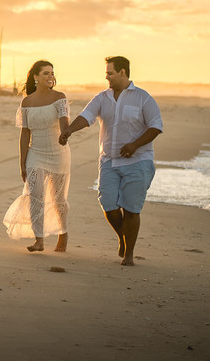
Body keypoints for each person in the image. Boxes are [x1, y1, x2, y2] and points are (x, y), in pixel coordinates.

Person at [59, 56, 163, 266]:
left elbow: (155, 126)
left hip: (138, 161)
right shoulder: (102, 97)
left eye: (110, 73)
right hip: (109, 161)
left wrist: (134, 145)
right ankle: (122, 236)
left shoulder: (143, 98)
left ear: (123, 72)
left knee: (132, 209)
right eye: (106, 73)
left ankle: (129, 254)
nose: (106, 77)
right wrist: (69, 130)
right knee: (108, 204)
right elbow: (86, 116)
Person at [2, 60, 70, 252]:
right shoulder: (27, 102)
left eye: (52, 73)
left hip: (59, 153)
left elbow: (65, 122)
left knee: (58, 200)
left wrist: (66, 133)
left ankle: (63, 234)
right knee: (35, 196)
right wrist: (22, 163)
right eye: (46, 73)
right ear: (36, 77)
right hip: (36, 153)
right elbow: (25, 134)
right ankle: (39, 239)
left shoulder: (60, 98)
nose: (50, 77)